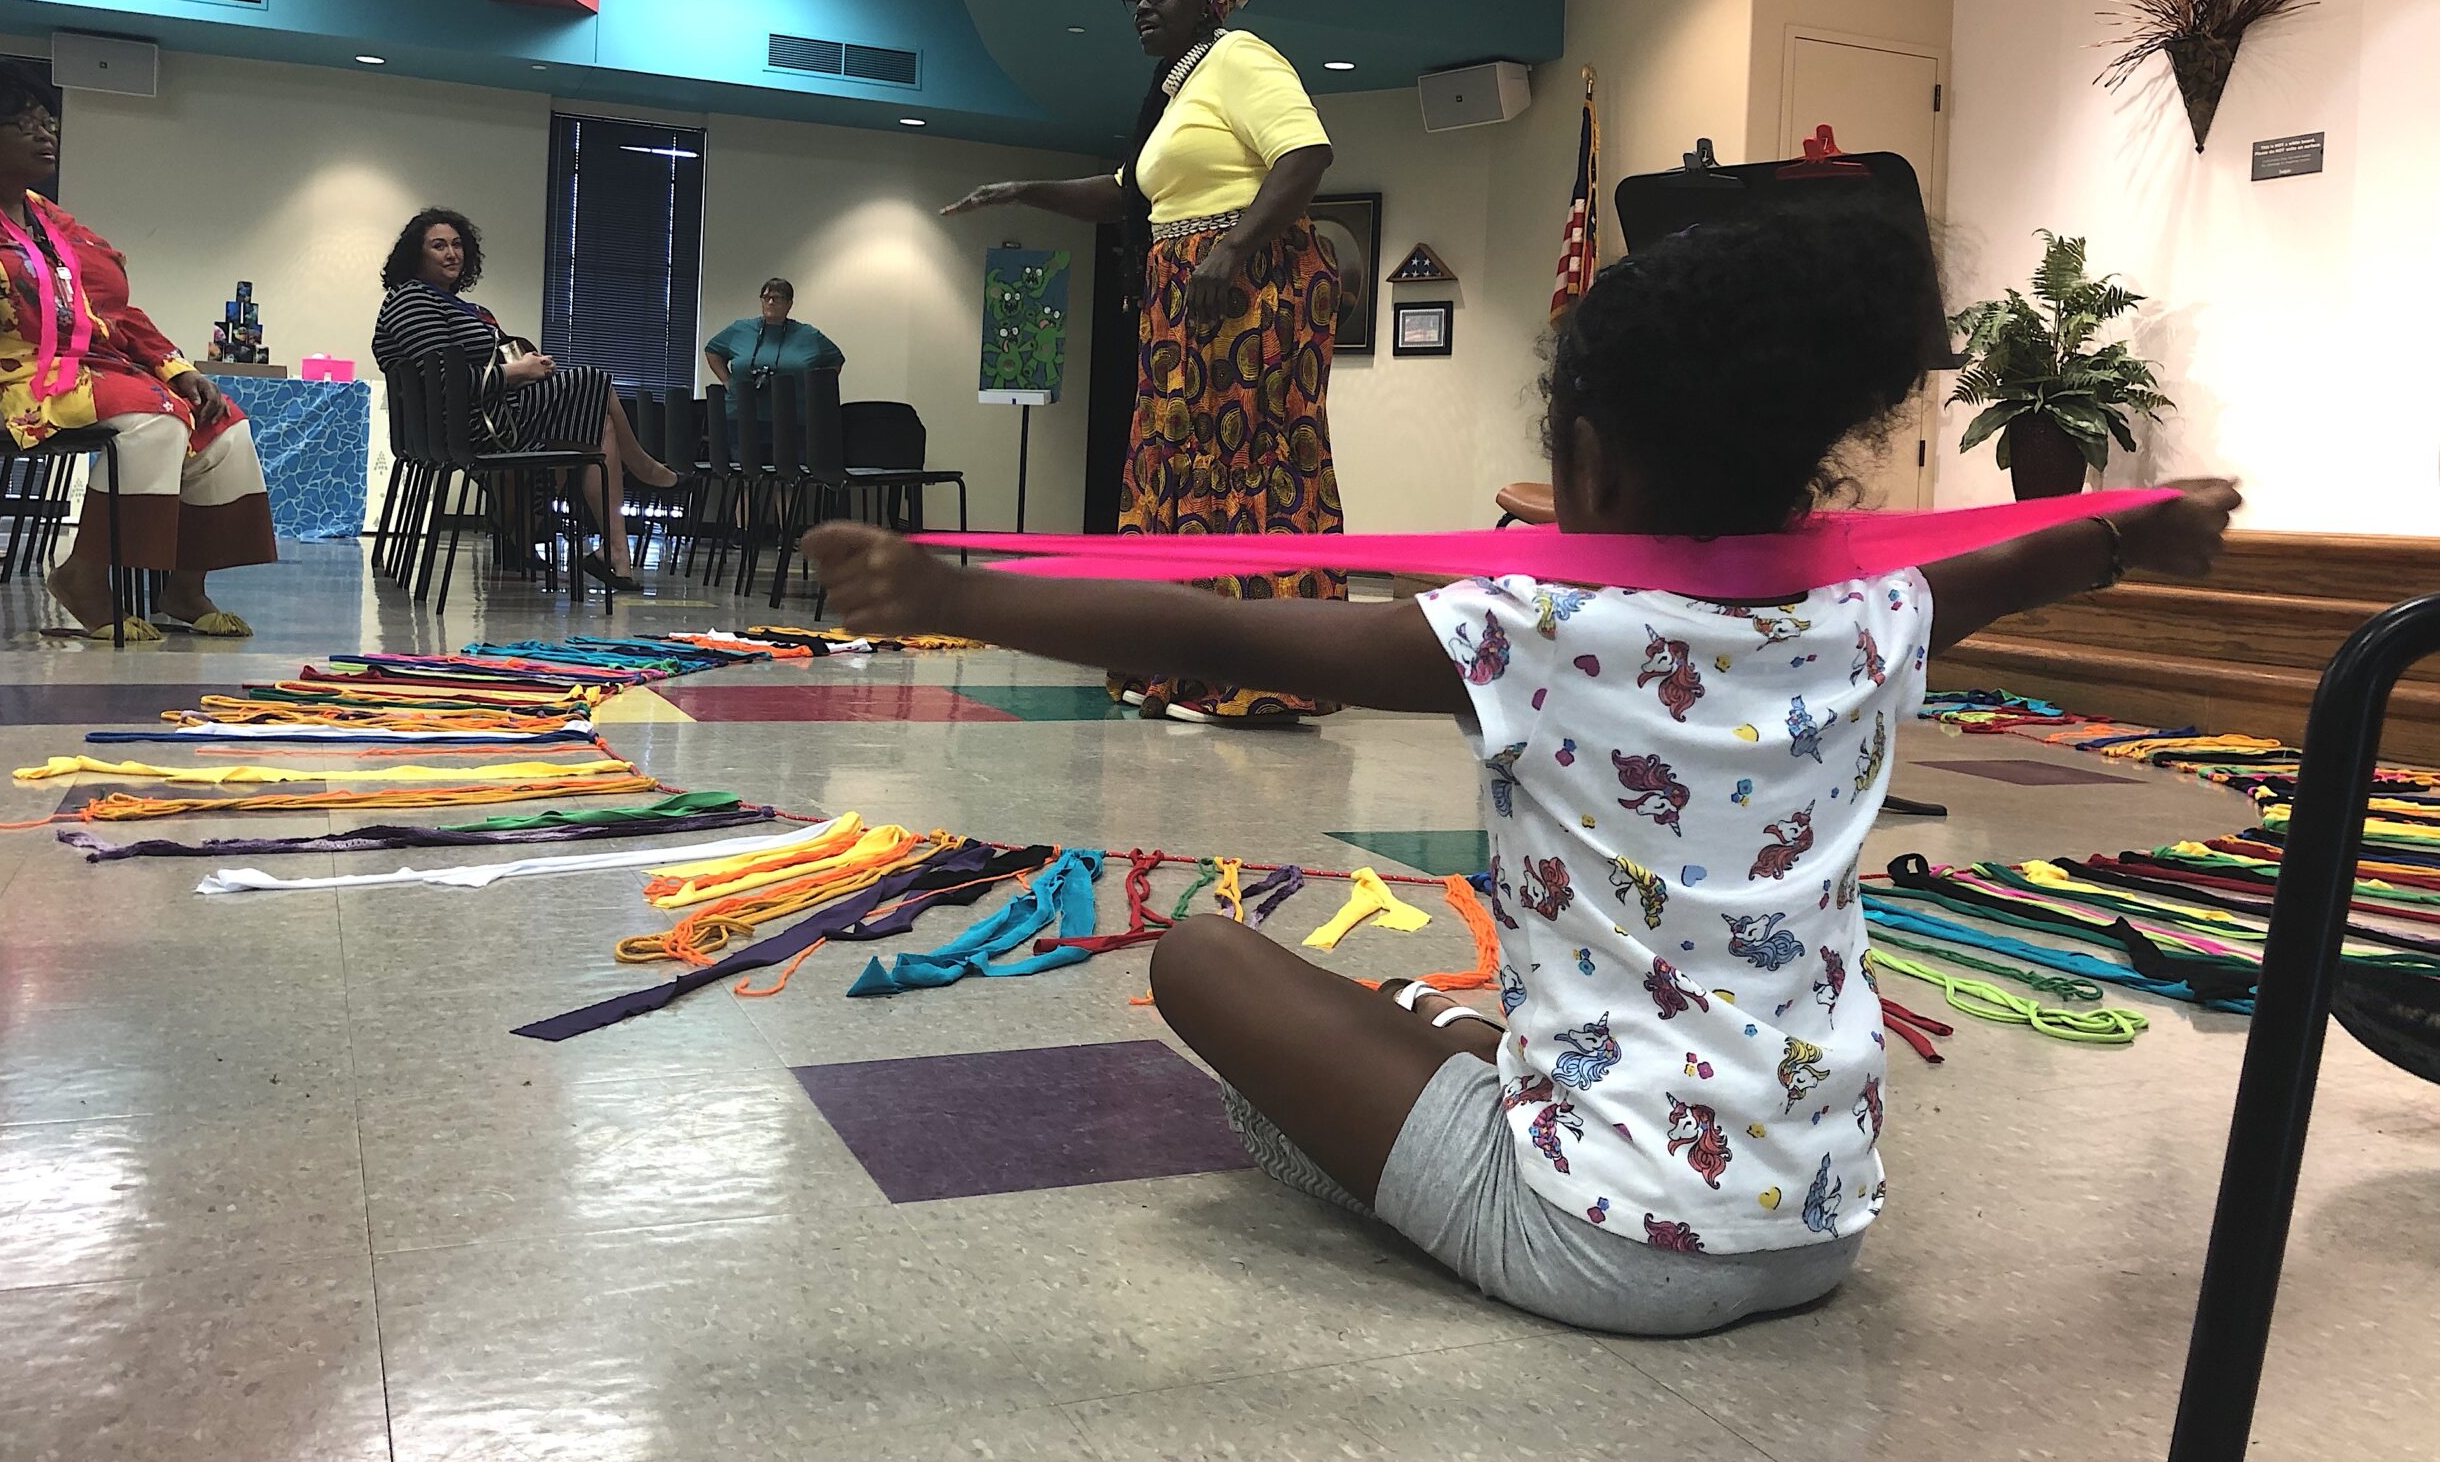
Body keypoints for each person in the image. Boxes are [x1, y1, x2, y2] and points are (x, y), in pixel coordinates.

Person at [802, 204, 2242, 1336]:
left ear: (1595, 468)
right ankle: (1473, 1053)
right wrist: (2143, 534)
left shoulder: (1545, 630)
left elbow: (1221, 628)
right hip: (1823, 1225)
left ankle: (1457, 1095)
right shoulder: (1874, 612)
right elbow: (2029, 561)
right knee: (1435, 1013)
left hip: (1602, 1247)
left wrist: (955, 597)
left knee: (1203, 963)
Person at [942, 0, 1343, 725]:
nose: (1142, 9)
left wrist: (1230, 250)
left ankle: (1257, 673)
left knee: (1242, 465)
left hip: (1249, 292)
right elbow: (1127, 193)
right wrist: (1025, 188)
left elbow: (1305, 155)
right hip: (1185, 295)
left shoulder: (1241, 59)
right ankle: (1180, 663)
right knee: (1177, 466)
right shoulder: (1175, 90)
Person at [0, 57, 274, 641]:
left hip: (73, 377)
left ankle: (183, 589)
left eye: (49, 121)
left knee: (222, 423)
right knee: (151, 418)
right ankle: (83, 578)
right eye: (25, 123)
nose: (47, 133)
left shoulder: (52, 220)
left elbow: (115, 311)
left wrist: (177, 368)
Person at [371, 208, 679, 589]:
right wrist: (518, 373)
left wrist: (524, 367)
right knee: (593, 381)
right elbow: (444, 383)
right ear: (416, 255)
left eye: (456, 244)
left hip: (487, 413)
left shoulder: (453, 304)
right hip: (470, 425)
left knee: (597, 425)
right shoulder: (413, 300)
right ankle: (640, 470)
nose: (452, 253)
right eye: (438, 246)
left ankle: (613, 552)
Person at [704, 277, 844, 384]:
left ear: (789, 304)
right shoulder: (740, 329)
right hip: (741, 411)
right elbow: (712, 350)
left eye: (777, 298)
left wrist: (819, 388)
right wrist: (727, 382)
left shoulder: (808, 335)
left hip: (793, 414)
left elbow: (835, 359)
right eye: (766, 298)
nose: (770, 302)